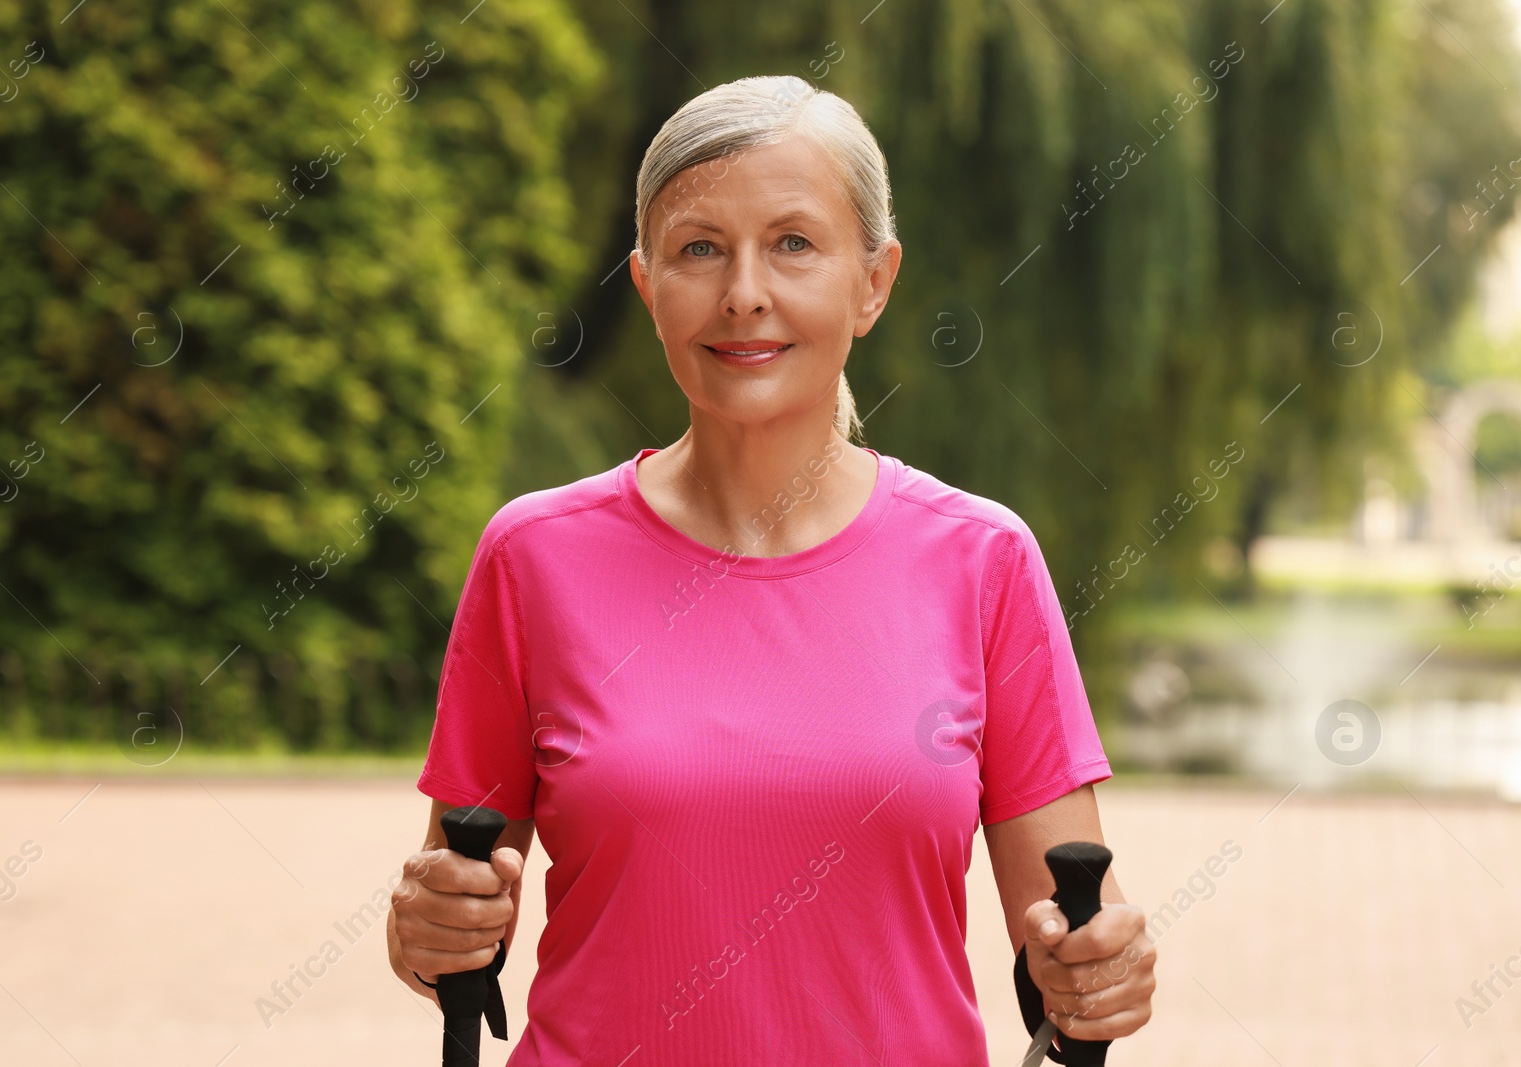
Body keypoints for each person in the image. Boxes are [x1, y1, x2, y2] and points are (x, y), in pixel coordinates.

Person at [386, 73, 1155, 1064]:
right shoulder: (534, 555)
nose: (743, 291)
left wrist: (1102, 965)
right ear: (645, 285)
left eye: (793, 243)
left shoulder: (983, 561)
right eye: (699, 248)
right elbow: (453, 919)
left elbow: (1064, 923)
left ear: (872, 281)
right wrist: (423, 929)